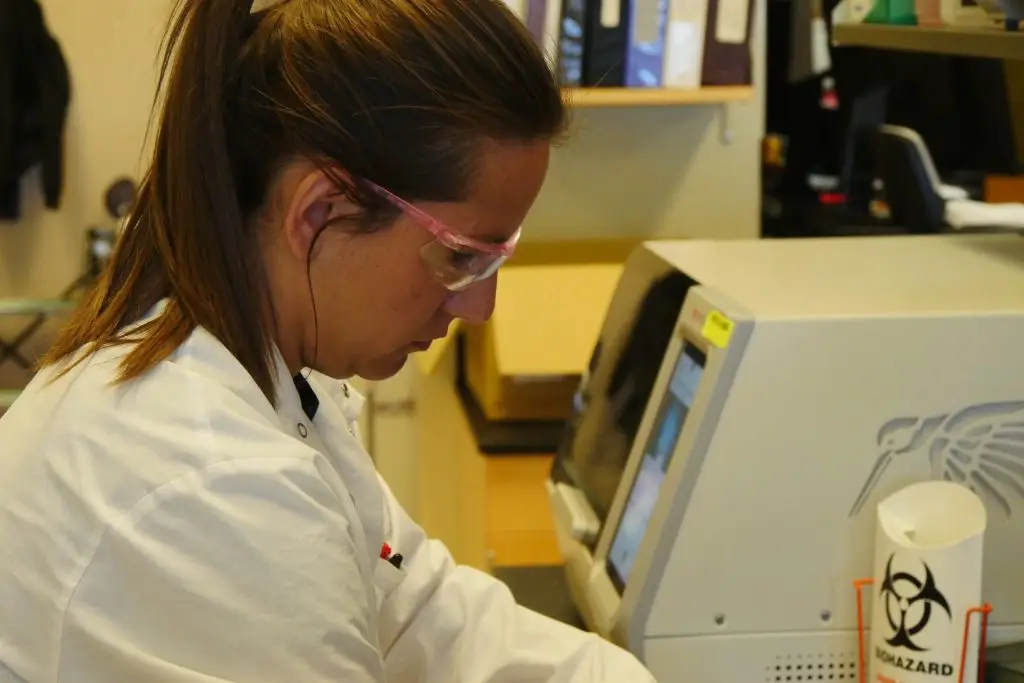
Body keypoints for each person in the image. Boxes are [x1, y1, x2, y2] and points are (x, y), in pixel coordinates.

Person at [0, 0, 660, 681]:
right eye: (464, 258)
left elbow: (414, 606)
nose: (481, 306)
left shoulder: (262, 380)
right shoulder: (216, 486)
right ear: (320, 210)